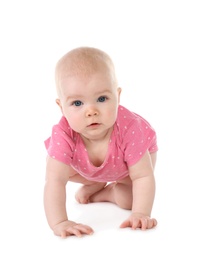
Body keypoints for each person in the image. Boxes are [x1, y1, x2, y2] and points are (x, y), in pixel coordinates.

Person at [44, 46, 158, 238]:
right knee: (57, 167)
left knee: (130, 198)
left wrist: (140, 214)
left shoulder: (130, 129)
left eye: (102, 98)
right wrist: (60, 223)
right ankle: (95, 183)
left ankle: (107, 192)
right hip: (85, 167)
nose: (91, 111)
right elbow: (54, 181)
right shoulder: (64, 134)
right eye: (77, 103)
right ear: (61, 106)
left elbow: (143, 177)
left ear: (118, 96)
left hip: (129, 164)